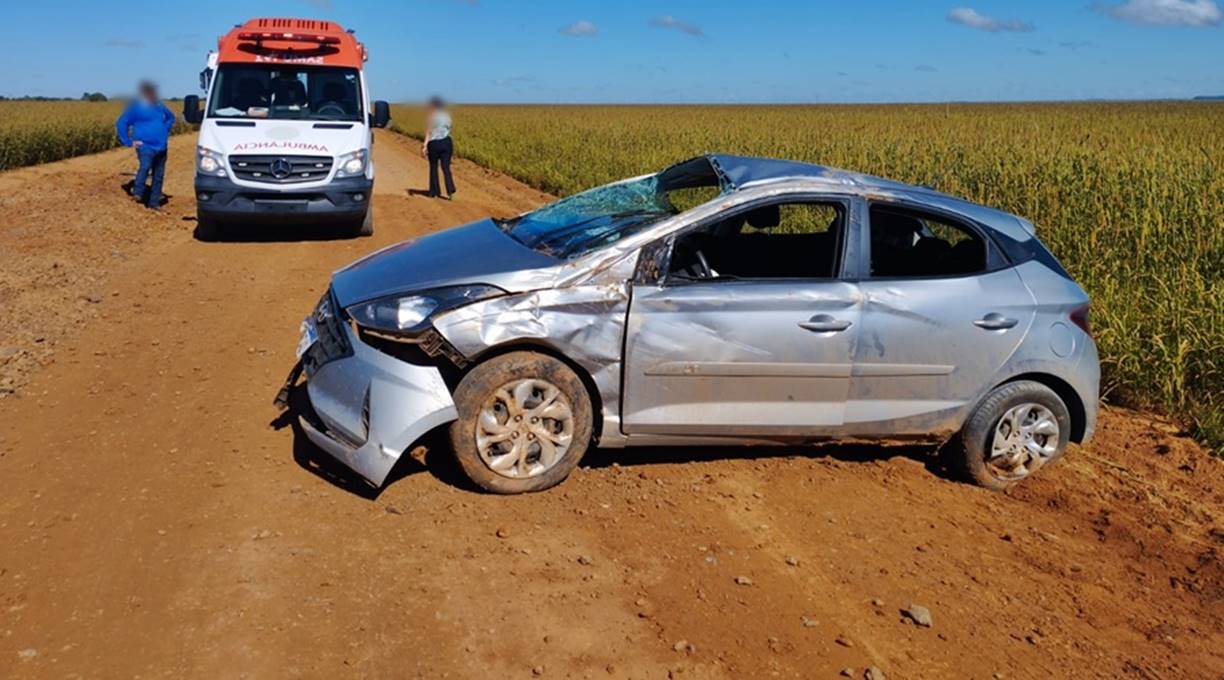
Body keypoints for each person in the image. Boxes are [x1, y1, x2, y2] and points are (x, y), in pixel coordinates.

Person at [115, 80, 176, 210]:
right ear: (144, 93)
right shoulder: (135, 107)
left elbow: (171, 117)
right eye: (151, 91)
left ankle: (154, 203)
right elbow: (121, 123)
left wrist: (165, 128)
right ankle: (138, 192)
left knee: (158, 175)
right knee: (145, 166)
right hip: (145, 146)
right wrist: (128, 141)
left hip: (161, 146)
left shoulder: (160, 106)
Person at [422, 96, 456, 199]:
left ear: (433, 106)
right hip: (447, 142)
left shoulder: (431, 116)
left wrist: (424, 146)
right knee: (446, 167)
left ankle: (434, 192)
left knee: (433, 167)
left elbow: (429, 132)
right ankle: (450, 191)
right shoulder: (447, 116)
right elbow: (450, 128)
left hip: (434, 143)